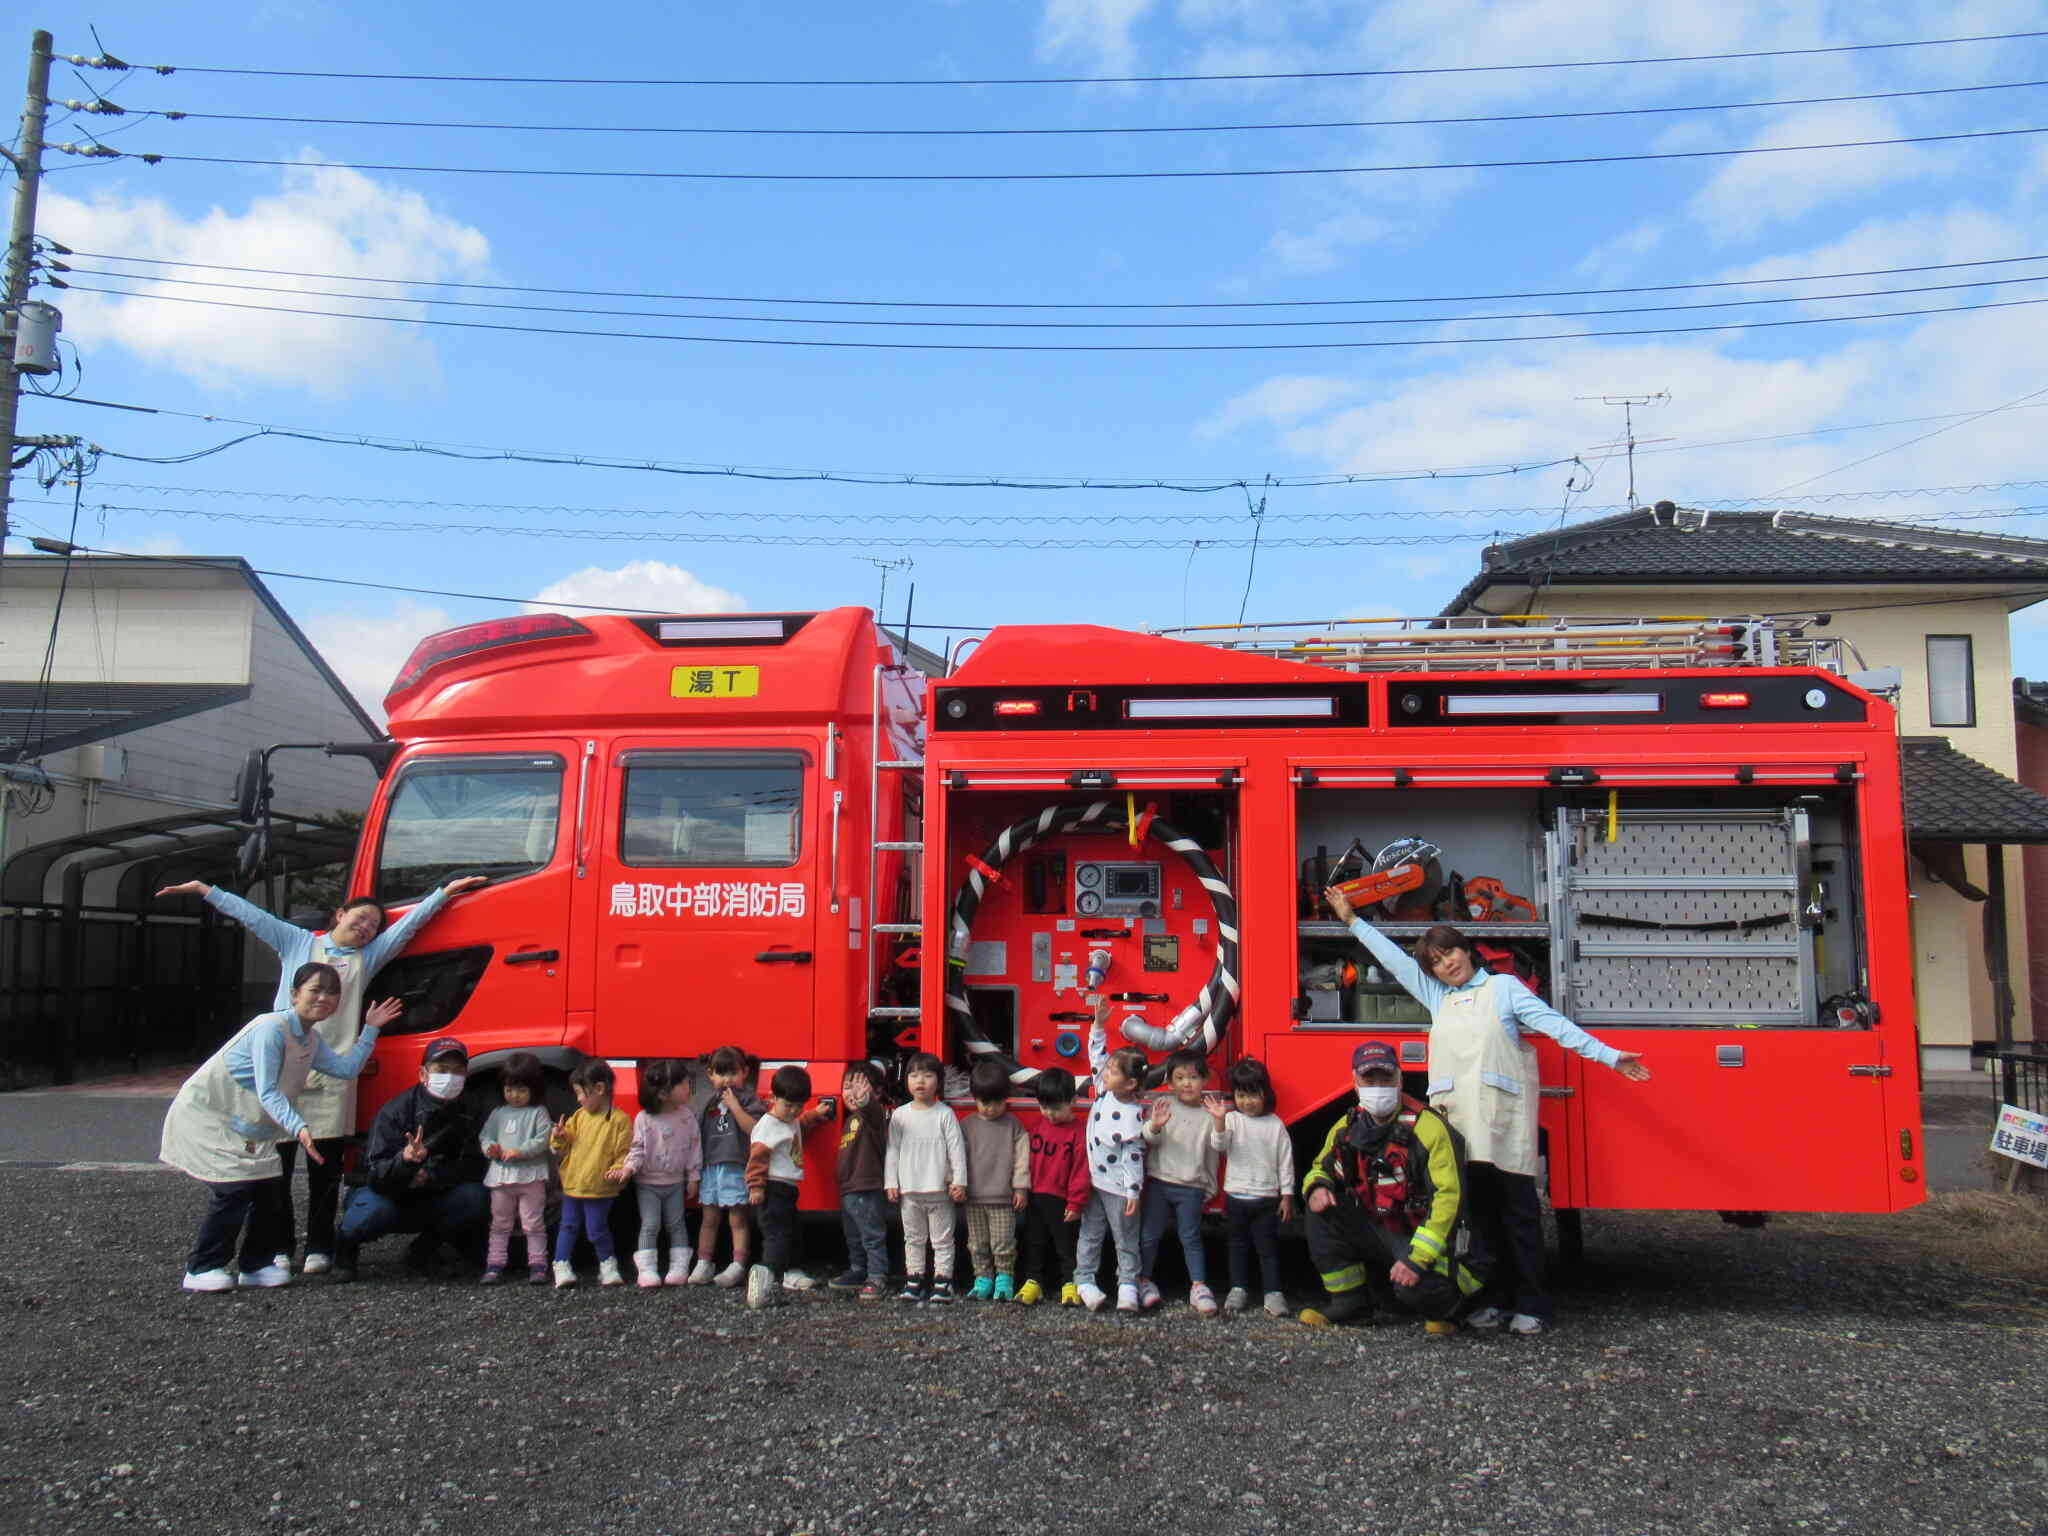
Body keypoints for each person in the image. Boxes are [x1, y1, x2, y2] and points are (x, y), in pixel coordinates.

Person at [1324, 888, 1653, 1335]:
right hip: (1457, 1133)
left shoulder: (1503, 989)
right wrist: (1351, 921)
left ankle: (1532, 1304)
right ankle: (1492, 1300)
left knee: (1518, 1218)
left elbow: (1555, 1026)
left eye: (1450, 953)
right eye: (1436, 962)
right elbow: (1396, 961)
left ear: (1467, 950)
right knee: (1476, 1225)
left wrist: (1610, 1056)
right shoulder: (1438, 997)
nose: (1446, 965)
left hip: (1502, 1130)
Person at [155, 873, 488, 1276]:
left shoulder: (370, 956)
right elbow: (252, 916)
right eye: (360, 918)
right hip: (283, 1073)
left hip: (333, 1074)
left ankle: (319, 1247)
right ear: (340, 914)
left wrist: (443, 893)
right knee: (273, 1169)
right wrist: (205, 891)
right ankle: (277, 1248)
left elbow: (408, 927)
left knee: (325, 1171)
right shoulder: (297, 942)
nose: (366, 927)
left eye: (372, 925)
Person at [159, 962, 395, 1292]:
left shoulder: (310, 1039)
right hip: (211, 1115)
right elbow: (267, 1088)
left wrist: (370, 1029)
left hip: (247, 1126)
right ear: (294, 993)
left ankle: (255, 1266)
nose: (323, 998)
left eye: (332, 992)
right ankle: (202, 1267)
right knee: (234, 1190)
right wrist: (299, 1127)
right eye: (315, 990)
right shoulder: (271, 1027)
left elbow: (345, 1068)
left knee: (270, 1192)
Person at [1299, 1042, 1479, 1336]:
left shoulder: (1429, 1128)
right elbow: (1320, 1167)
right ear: (1355, 1084)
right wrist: (1317, 1187)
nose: (1378, 1087)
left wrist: (1415, 1260)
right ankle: (1350, 1306)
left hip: (1427, 1238)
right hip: (1385, 1227)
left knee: (1417, 1292)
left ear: (1400, 1080)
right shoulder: (1348, 1126)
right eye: (1370, 1080)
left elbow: (1449, 1200)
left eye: (1386, 1079)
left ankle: (1454, 1309)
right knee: (1322, 1211)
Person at [332, 1035, 488, 1282]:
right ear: (423, 1074)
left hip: (434, 1191)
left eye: (458, 1071)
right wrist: (404, 1162)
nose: (450, 1077)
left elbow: (476, 1165)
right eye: (442, 1070)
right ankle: (344, 1250)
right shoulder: (395, 1111)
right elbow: (375, 1173)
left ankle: (424, 1251)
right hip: (386, 1193)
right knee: (370, 1213)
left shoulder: (471, 1110)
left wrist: (432, 1175)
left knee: (477, 1198)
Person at [1138, 1046, 1222, 1317]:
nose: (1187, 1083)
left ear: (1205, 1080)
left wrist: (1220, 1122)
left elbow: (1217, 1148)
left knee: (1191, 1237)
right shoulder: (1163, 1106)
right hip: (1160, 1182)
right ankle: (1144, 1281)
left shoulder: (1209, 1113)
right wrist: (1155, 1125)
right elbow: (1149, 1139)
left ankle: (1198, 1287)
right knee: (1150, 1234)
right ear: (1170, 1081)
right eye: (1180, 1077)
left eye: (1194, 1077)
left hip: (1192, 1187)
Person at [1209, 1056, 1295, 1318]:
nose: (1248, 1101)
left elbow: (1285, 1162)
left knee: (1267, 1249)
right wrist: (1219, 1121)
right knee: (1237, 1246)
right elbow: (1219, 1146)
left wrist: (1287, 1195)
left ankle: (1273, 1293)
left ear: (1265, 1094)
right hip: (1235, 1196)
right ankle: (1238, 1289)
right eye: (1241, 1095)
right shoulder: (1233, 1119)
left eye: (1253, 1095)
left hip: (1266, 1199)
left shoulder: (1275, 1125)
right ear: (1234, 1096)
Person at [1075, 1003, 1147, 1315]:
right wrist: (1098, 1026)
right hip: (1094, 1180)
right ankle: (1084, 1280)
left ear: (1130, 1084)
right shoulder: (1104, 1091)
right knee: (1089, 1234)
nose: (1106, 1072)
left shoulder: (1133, 1116)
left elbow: (1134, 1155)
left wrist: (1133, 1190)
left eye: (1114, 1071)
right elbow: (1097, 1057)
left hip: (1118, 1187)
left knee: (1125, 1238)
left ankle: (1128, 1284)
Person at [744, 1064, 835, 1308]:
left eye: (798, 1106)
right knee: (778, 1236)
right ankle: (764, 1274)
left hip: (786, 1189)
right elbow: (757, 1159)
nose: (793, 1111)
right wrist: (756, 1187)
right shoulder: (767, 1126)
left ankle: (792, 1273)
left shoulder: (789, 1120)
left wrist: (814, 1114)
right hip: (772, 1188)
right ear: (772, 1098)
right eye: (788, 1105)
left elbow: (799, 1127)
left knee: (793, 1231)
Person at [883, 1051, 967, 1303]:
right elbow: (892, 1151)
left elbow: (957, 1150)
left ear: (939, 1082)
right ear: (906, 1080)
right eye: (914, 1075)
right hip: (909, 1191)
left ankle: (943, 1282)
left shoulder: (945, 1114)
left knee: (942, 1240)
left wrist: (959, 1181)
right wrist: (890, 1182)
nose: (920, 1081)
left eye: (928, 1075)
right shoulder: (899, 1115)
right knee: (913, 1238)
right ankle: (914, 1280)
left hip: (939, 1191)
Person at [616, 1058, 702, 1289]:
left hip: (675, 1182)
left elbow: (695, 1148)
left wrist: (693, 1176)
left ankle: (679, 1267)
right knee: (650, 1224)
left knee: (677, 1224)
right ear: (664, 1094)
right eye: (683, 1084)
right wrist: (629, 1168)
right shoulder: (644, 1119)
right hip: (648, 1183)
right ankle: (646, 1269)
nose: (688, 1088)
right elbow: (637, 1149)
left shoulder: (687, 1116)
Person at [550, 1058, 634, 1288]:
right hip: (573, 1184)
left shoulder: (620, 1120)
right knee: (567, 1226)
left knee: (597, 1229)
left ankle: (607, 1266)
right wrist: (558, 1137)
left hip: (600, 1187)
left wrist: (618, 1170)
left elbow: (624, 1153)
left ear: (599, 1088)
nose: (578, 1099)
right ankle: (561, 1264)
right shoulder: (578, 1117)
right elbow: (563, 1146)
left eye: (581, 1093)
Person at [690, 1045, 764, 1286]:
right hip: (711, 1167)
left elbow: (755, 1130)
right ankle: (704, 1262)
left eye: (732, 1073)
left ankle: (738, 1264)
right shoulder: (709, 1101)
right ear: (710, 1074)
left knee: (737, 1219)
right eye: (721, 1074)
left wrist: (735, 1106)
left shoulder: (749, 1099)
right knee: (709, 1218)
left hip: (736, 1166)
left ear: (745, 1072)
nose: (727, 1079)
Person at [1016, 1066, 1090, 1307]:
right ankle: (1033, 1282)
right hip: (1036, 1196)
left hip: (1063, 1200)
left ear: (1073, 1101)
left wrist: (1076, 1202)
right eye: (1044, 1107)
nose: (1049, 1113)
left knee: (1066, 1244)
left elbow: (1081, 1171)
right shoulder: (1038, 1126)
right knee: (1033, 1241)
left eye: (1056, 1108)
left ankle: (1070, 1283)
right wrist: (1021, 1189)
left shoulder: (1079, 1132)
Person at [477, 1051, 553, 1286]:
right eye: (509, 1089)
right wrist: (489, 1147)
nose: (515, 1095)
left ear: (533, 1089)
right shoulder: (498, 1114)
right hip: (501, 1177)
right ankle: (495, 1264)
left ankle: (538, 1265)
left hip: (531, 1177)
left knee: (533, 1223)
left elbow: (543, 1139)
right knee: (500, 1223)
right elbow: (485, 1135)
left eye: (521, 1090)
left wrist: (520, 1151)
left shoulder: (538, 1112)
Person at [959, 1059, 1030, 1302]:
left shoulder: (1014, 1125)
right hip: (974, 1198)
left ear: (1006, 1098)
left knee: (1003, 1242)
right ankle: (982, 1278)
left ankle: (1004, 1279)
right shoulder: (966, 1125)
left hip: (1002, 1197)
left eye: (998, 1102)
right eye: (984, 1103)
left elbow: (1022, 1158)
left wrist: (1020, 1187)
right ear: (974, 1098)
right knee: (977, 1243)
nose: (991, 1108)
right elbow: (955, 1158)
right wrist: (955, 1182)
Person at [829, 1060, 893, 1300]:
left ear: (875, 1093)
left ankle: (877, 1276)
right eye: (847, 1087)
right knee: (853, 1235)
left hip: (866, 1187)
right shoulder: (850, 1119)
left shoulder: (872, 1117)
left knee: (871, 1235)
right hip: (849, 1189)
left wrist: (866, 1101)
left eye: (859, 1087)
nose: (852, 1093)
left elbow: (872, 1110)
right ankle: (858, 1270)